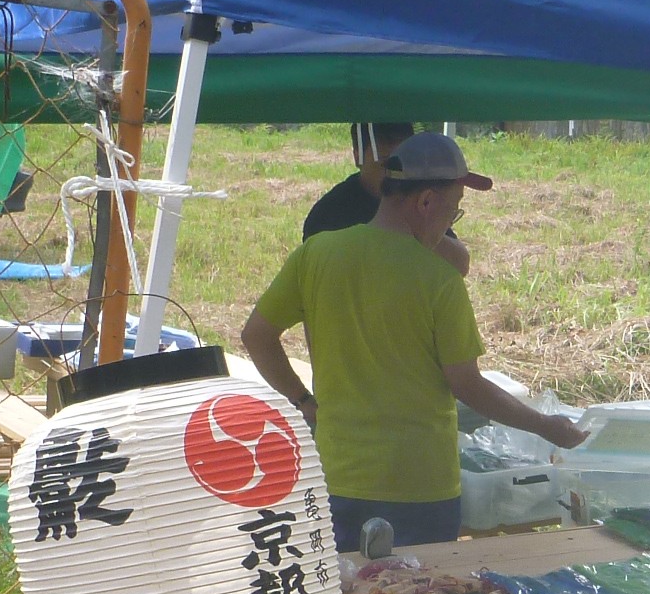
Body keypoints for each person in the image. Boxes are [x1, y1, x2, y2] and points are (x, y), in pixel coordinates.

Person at [244, 132, 584, 551]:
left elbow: (256, 336)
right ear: (425, 202)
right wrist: (546, 425)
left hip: (338, 477)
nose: (450, 225)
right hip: (420, 488)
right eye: (453, 213)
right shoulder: (438, 280)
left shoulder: (316, 254)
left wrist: (303, 401)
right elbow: (467, 384)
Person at [303, 121, 469, 275]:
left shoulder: (416, 203)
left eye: (403, 164)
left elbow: (460, 264)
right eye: (385, 164)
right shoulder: (328, 214)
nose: (394, 173)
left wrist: (420, 232)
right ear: (357, 156)